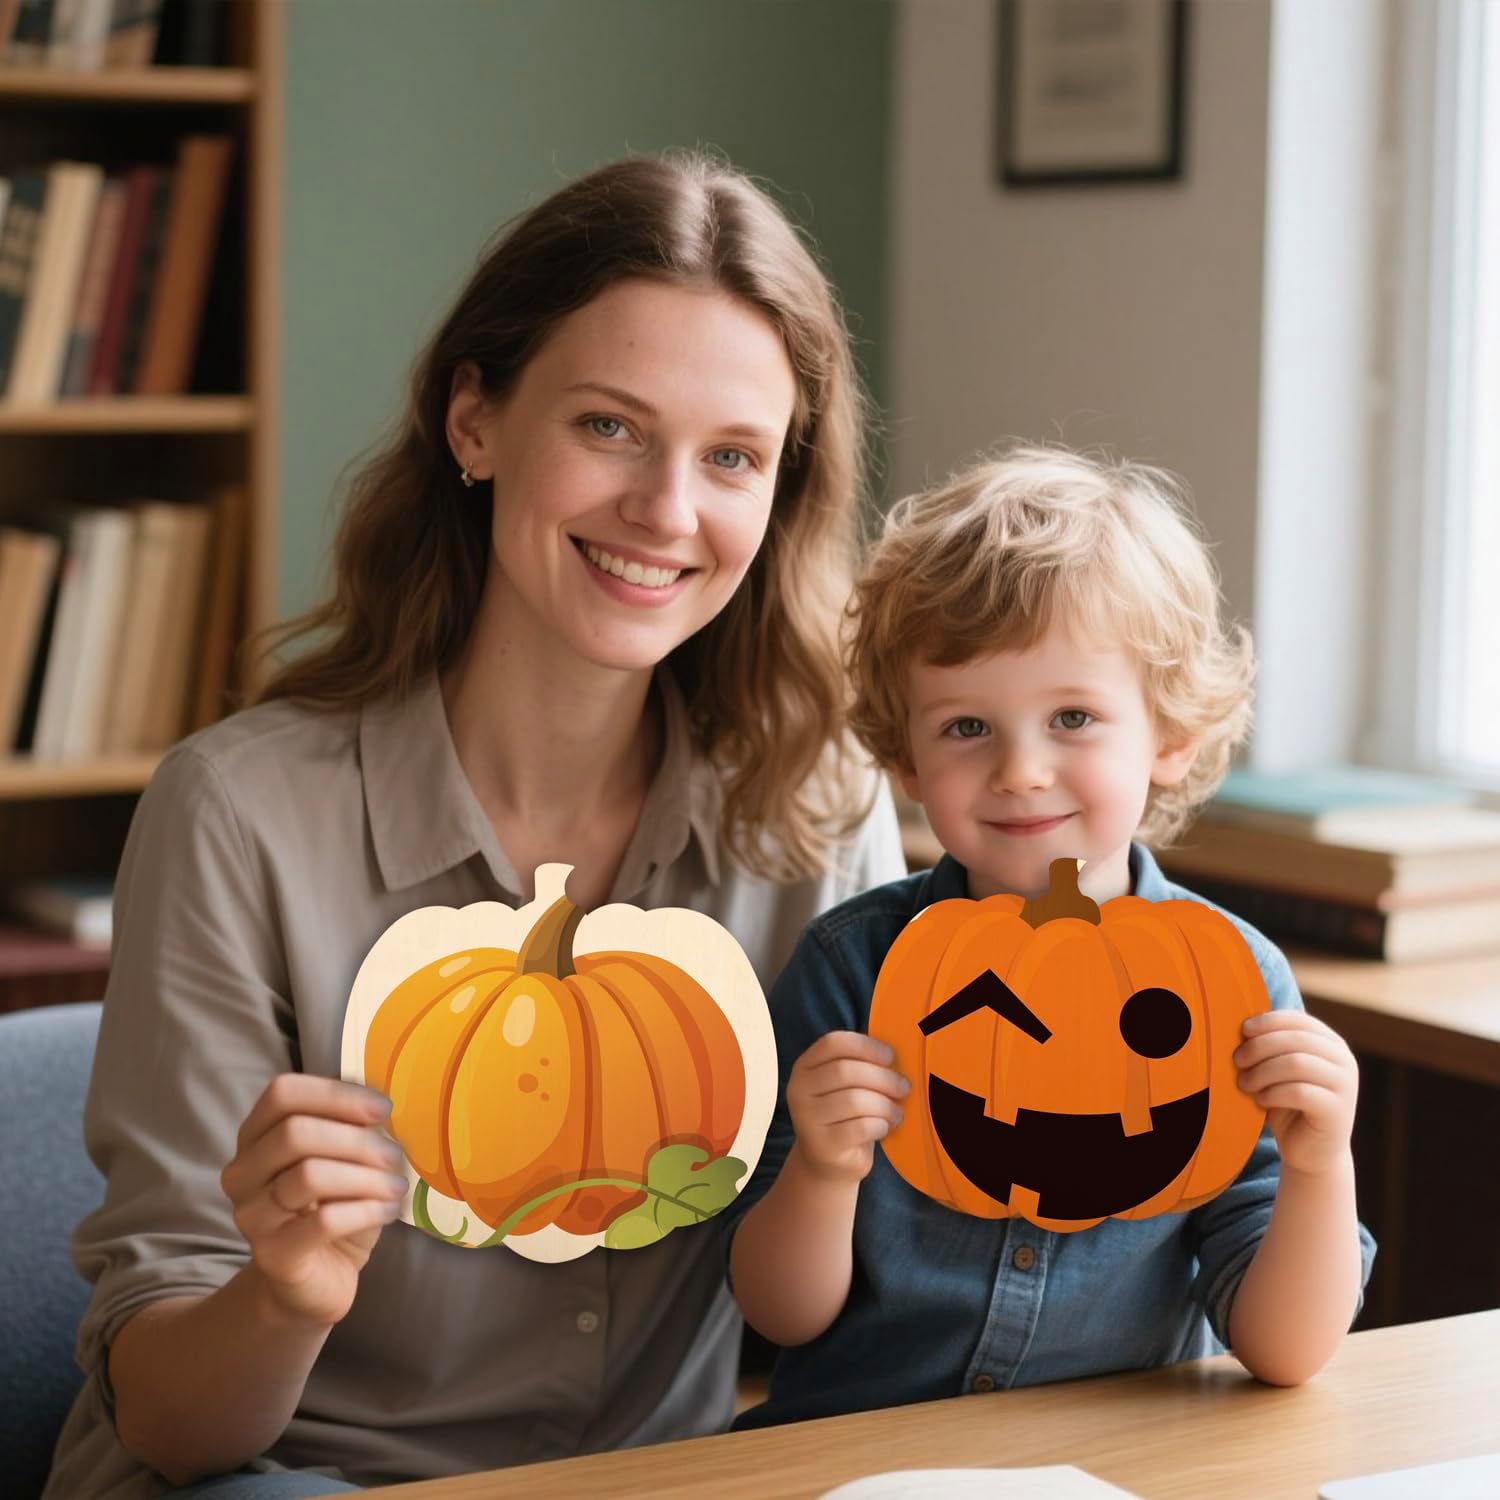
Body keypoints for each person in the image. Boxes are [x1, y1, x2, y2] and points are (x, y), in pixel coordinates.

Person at [43, 153, 906, 1500]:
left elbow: (855, 1295)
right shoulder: (236, 815)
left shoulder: (820, 815)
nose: (667, 512)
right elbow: (168, 1426)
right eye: (609, 427)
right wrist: (286, 1294)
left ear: (780, 495)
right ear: (475, 422)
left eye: (732, 457)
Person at [723, 444, 1377, 1428]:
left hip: (1124, 1466)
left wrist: (1323, 1165)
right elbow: (777, 1315)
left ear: (1169, 738)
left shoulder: (1235, 982)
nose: (1022, 771)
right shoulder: (849, 970)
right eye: (966, 729)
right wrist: (823, 1170)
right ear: (905, 758)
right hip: (862, 1458)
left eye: (1072, 716)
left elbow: (1286, 1352)